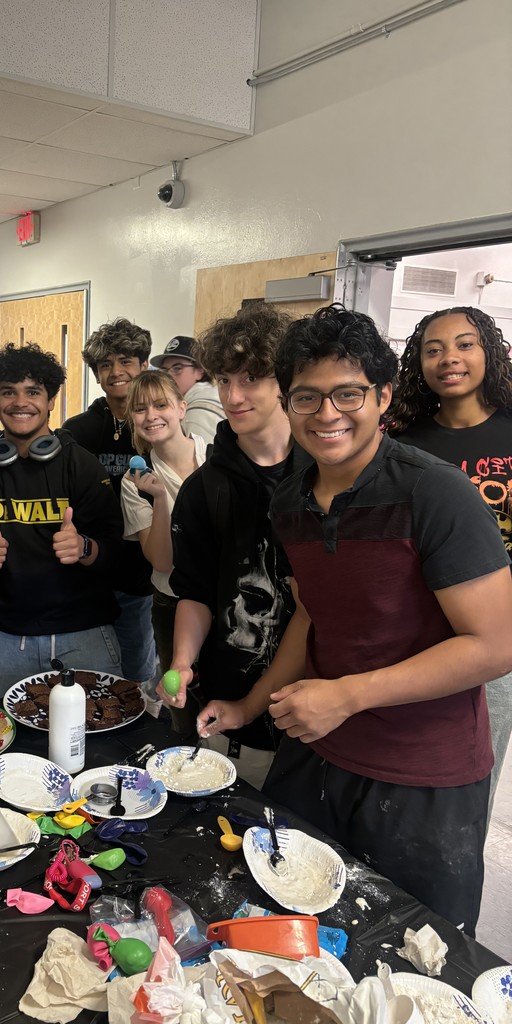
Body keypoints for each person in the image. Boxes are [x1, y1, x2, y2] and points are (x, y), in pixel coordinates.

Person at [198, 304, 512, 933]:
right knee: (282, 928)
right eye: (307, 398)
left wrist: (347, 695)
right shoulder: (290, 500)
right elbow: (311, 615)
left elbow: (497, 644)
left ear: (384, 395)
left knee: (412, 950)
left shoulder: (435, 493)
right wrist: (248, 707)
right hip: (317, 752)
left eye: (348, 393)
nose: (327, 414)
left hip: (423, 773)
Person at [165, 305, 310, 782]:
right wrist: (183, 662)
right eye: (224, 380)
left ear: (283, 381)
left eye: (250, 378)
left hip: (319, 704)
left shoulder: (325, 476)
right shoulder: (203, 489)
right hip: (230, 699)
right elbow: (195, 591)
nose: (233, 396)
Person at [387, 306, 512, 815]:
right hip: (420, 626)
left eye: (465, 345)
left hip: (497, 628)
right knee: (415, 760)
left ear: (489, 353)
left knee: (477, 761)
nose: (449, 359)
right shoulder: (404, 441)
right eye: (433, 349)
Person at [0, 343, 123, 701]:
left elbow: (117, 552)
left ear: (50, 401)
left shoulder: (82, 465)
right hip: (9, 637)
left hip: (85, 632)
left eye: (32, 392)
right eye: (8, 392)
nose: (20, 402)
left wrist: (84, 548)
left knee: (97, 731)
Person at [63, 318, 157, 689]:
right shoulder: (76, 431)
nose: (116, 371)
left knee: (134, 680)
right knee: (84, 678)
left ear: (143, 365)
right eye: (105, 364)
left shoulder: (156, 426)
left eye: (125, 361)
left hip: (139, 577)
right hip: (85, 574)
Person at [121, 370, 208, 724]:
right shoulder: (135, 483)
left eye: (161, 405)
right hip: (173, 603)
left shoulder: (216, 455)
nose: (151, 416)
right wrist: (159, 499)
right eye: (140, 409)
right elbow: (161, 560)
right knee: (183, 711)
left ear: (182, 408)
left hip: (226, 598)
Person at [150, 335, 225, 444]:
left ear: (200, 371)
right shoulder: (202, 397)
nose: (169, 376)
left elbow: (203, 455)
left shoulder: (199, 411)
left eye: (177, 368)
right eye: (165, 371)